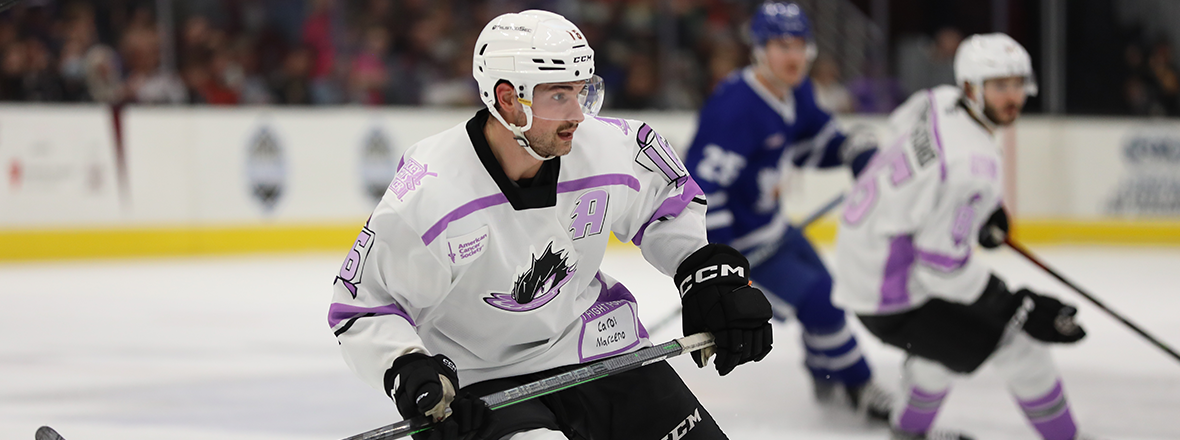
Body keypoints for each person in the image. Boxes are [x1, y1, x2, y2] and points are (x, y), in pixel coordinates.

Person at [328, 10, 774, 440]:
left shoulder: (609, 146)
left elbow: (667, 203)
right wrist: (408, 369)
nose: (578, 114)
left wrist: (704, 274)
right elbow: (364, 307)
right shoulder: (430, 193)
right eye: (559, 95)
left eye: (582, 92)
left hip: (600, 351)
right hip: (484, 382)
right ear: (507, 99)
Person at [832, 33, 1096, 440]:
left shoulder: (937, 100)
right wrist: (1013, 305)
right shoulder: (974, 166)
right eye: (1000, 86)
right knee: (1023, 351)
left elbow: (905, 141)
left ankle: (907, 431)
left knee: (944, 350)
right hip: (891, 292)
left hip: (862, 262)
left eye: (1017, 84)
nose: (1014, 97)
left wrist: (971, 213)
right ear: (972, 87)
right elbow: (941, 269)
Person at [682, 1, 890, 421]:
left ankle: (825, 373)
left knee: (829, 293)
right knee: (822, 304)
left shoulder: (795, 92)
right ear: (759, 50)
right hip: (744, 244)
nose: (792, 55)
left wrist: (855, 150)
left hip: (776, 227)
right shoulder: (735, 108)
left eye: (799, 45)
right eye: (780, 45)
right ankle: (858, 383)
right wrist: (721, 259)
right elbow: (702, 188)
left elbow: (817, 142)